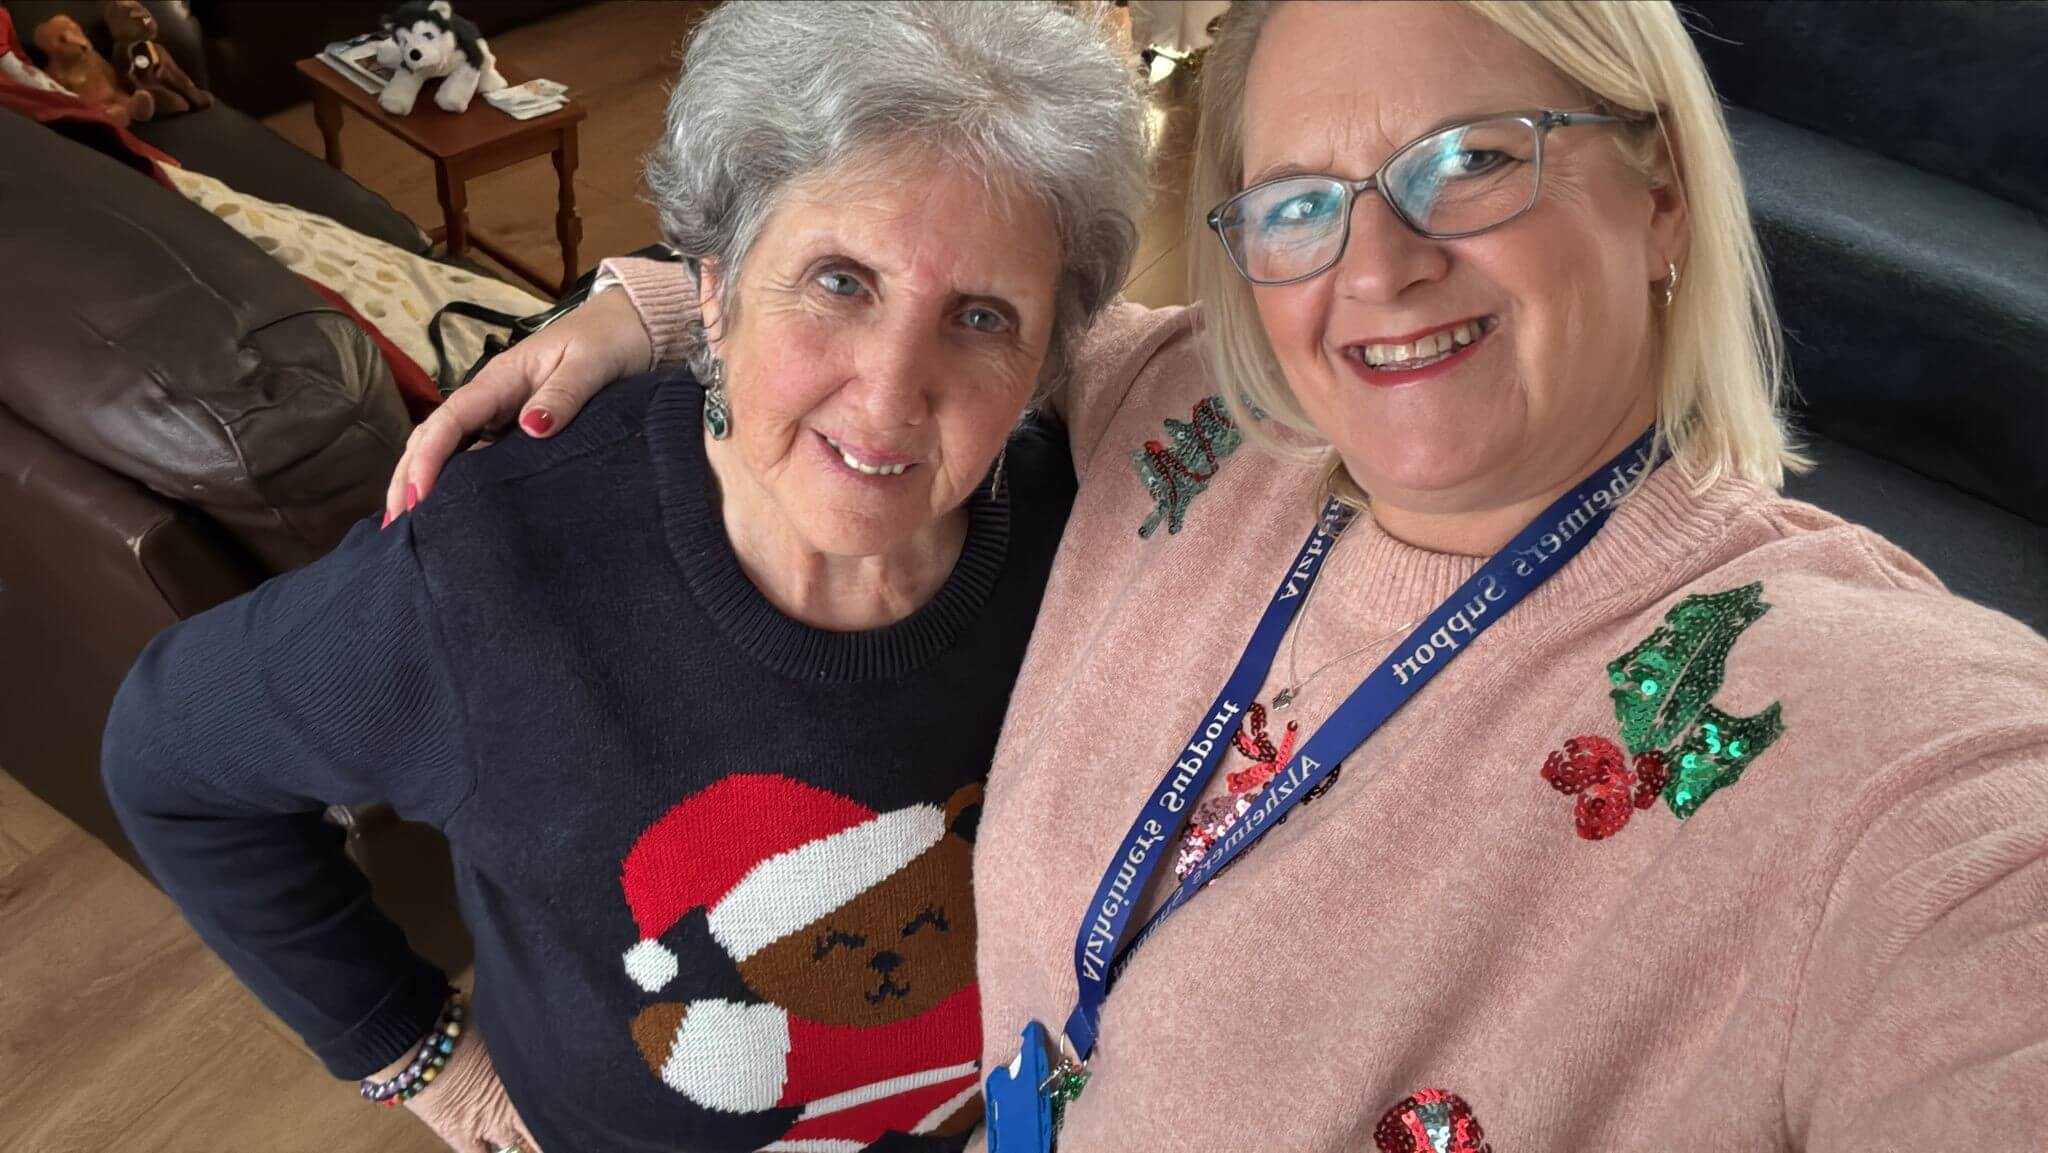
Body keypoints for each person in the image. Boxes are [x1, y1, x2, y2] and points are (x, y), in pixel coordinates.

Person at [394, 2, 2048, 1149]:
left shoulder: (1899, 762)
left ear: (1663, 194)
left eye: (1472, 157)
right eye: (1297, 200)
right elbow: (960, 307)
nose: (1375, 262)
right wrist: (678, 304)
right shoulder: (1196, 414)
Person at [100, 4, 1149, 1152]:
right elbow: (171, 761)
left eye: (980, 316)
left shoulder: (1096, 529)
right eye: (839, 281)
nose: (892, 396)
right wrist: (422, 1060)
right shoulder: (493, 573)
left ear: (1049, 356)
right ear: (712, 287)